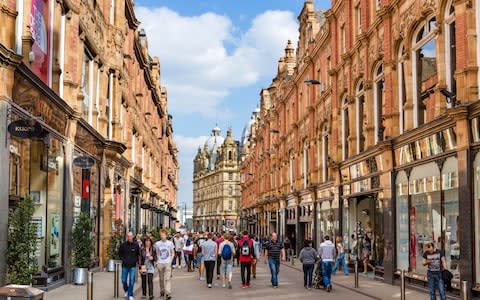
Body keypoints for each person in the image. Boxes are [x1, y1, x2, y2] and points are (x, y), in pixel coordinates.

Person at [118, 232, 140, 300]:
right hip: (125, 265)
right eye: (128, 236)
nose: (129, 237)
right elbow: (119, 253)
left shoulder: (136, 245)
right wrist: (123, 259)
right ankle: (127, 290)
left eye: (130, 236)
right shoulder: (123, 245)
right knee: (123, 280)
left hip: (132, 266)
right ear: (127, 237)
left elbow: (138, 254)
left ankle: (130, 294)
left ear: (133, 236)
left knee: (131, 281)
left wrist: (135, 261)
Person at [154, 229, 175, 300]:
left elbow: (173, 253)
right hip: (160, 263)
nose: (162, 236)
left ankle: (168, 293)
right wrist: (157, 262)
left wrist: (170, 261)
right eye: (161, 235)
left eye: (164, 235)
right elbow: (157, 253)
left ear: (166, 235)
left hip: (167, 263)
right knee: (161, 279)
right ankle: (162, 290)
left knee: (167, 278)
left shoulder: (170, 243)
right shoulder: (157, 244)